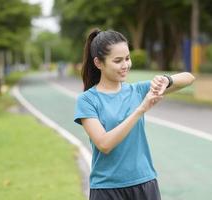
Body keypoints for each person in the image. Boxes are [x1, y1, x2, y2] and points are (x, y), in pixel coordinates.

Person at [74, 28, 195, 200]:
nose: (126, 65)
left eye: (127, 58)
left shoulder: (138, 90)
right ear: (98, 63)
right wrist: (141, 110)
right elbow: (104, 144)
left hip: (144, 183)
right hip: (107, 189)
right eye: (118, 61)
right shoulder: (87, 100)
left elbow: (189, 78)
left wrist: (167, 80)